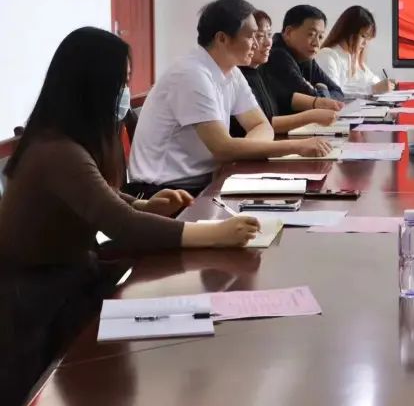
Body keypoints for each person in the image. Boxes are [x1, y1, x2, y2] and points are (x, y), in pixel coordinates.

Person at [0, 28, 260, 404]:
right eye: (120, 82)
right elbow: (121, 226)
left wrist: (143, 206)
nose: (126, 92)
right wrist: (216, 233)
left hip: (69, 276)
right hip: (35, 299)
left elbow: (98, 196)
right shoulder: (55, 150)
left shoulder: (72, 141)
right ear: (90, 86)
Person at [127, 0, 334, 197]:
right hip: (164, 193)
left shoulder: (231, 72)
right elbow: (223, 148)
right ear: (222, 38)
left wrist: (245, 152)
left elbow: (261, 125)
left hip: (204, 183)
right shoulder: (191, 74)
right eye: (251, 36)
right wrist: (296, 146)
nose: (256, 44)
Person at [229, 10, 340, 137]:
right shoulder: (238, 75)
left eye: (269, 35)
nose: (268, 43)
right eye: (259, 36)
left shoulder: (260, 69)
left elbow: (283, 97)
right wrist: (311, 115)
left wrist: (317, 102)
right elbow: (262, 124)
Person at [264, 4, 346, 115]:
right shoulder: (277, 55)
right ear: (288, 32)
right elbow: (313, 100)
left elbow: (338, 92)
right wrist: (322, 93)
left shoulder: (306, 57)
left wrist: (321, 95)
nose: (316, 43)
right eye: (311, 34)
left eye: (320, 37)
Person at [315, 5, 396, 96]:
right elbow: (335, 93)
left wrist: (384, 85)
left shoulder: (352, 57)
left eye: (368, 38)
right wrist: (372, 89)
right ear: (348, 32)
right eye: (363, 36)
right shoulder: (327, 56)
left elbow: (372, 79)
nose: (365, 43)